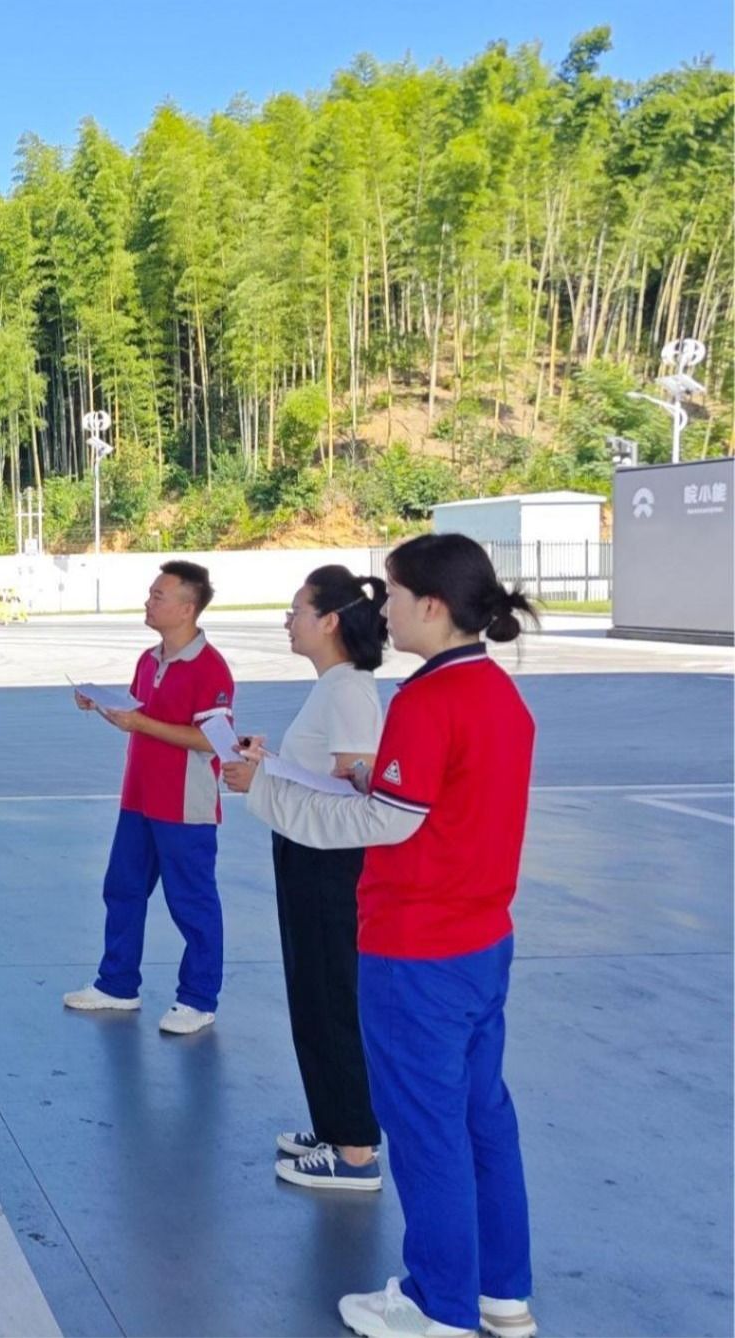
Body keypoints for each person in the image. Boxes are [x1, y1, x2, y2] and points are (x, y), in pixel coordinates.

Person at [229, 533, 540, 1338]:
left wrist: (265, 789)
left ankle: (439, 1305)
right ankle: (501, 1292)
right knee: (482, 1117)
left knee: (427, 1128)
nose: (386, 610)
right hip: (482, 941)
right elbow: (435, 800)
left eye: (395, 594)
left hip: (416, 950)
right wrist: (374, 777)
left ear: (431, 605)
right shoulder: (498, 693)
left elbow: (381, 824)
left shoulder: (426, 701)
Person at [230, 567, 390, 1193]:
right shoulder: (332, 687)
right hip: (305, 850)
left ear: (329, 621)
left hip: (330, 861)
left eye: (296, 611)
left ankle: (355, 1151)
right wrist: (268, 765)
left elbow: (354, 787)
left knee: (331, 997)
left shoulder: (349, 690)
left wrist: (265, 780)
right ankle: (334, 1125)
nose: (288, 622)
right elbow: (323, 776)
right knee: (311, 993)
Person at [64, 560, 235, 1036]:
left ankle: (198, 998)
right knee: (123, 888)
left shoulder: (210, 668)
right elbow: (137, 717)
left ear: (187, 608)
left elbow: (212, 741)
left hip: (184, 805)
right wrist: (103, 706)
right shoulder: (147, 660)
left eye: (158, 596)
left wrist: (139, 722)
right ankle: (118, 984)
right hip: (138, 799)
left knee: (191, 902)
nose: (148, 602)